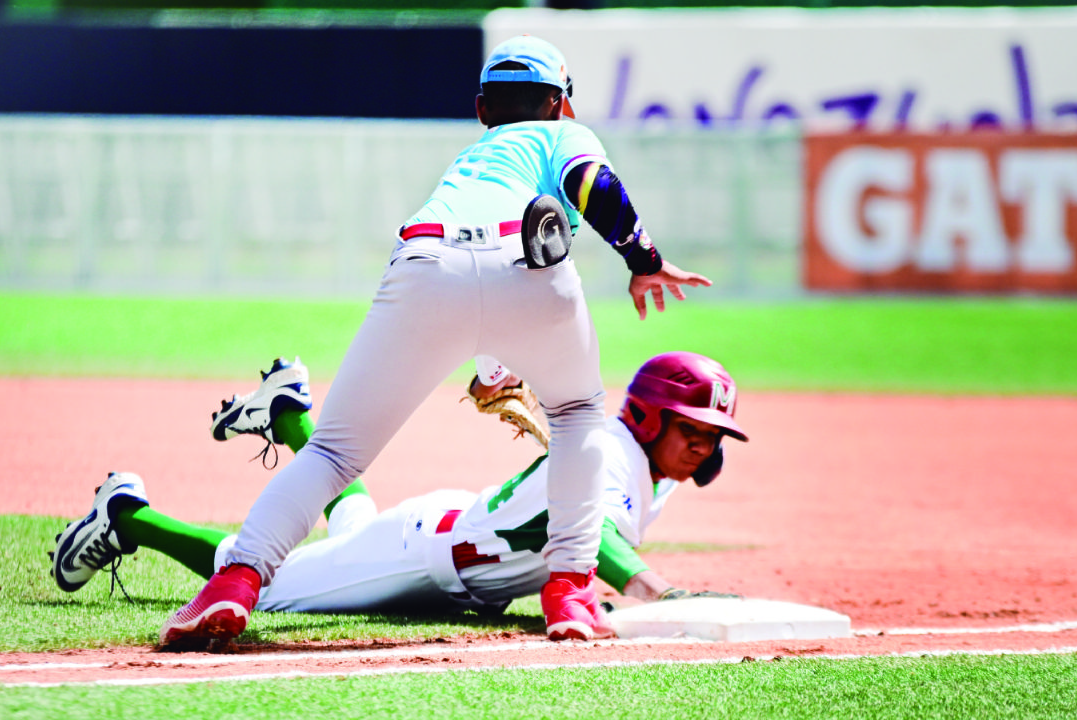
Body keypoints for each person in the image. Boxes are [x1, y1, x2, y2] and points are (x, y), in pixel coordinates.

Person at [154, 35, 713, 646]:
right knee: (579, 416)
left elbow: (471, 280)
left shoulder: (471, 162)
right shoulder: (558, 135)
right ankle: (570, 593)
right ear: (561, 104)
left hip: (424, 261)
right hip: (531, 264)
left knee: (335, 454)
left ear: (481, 111)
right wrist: (644, 259)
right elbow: (592, 186)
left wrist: (493, 364)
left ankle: (237, 580)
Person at [50, 353, 747, 636]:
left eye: (715, 436)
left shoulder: (636, 467)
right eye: (695, 429)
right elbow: (589, 532)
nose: (705, 446)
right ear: (652, 417)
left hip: (449, 551)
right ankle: (128, 514)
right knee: (268, 583)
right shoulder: (613, 458)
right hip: (428, 556)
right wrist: (653, 587)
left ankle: (291, 414)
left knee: (348, 534)